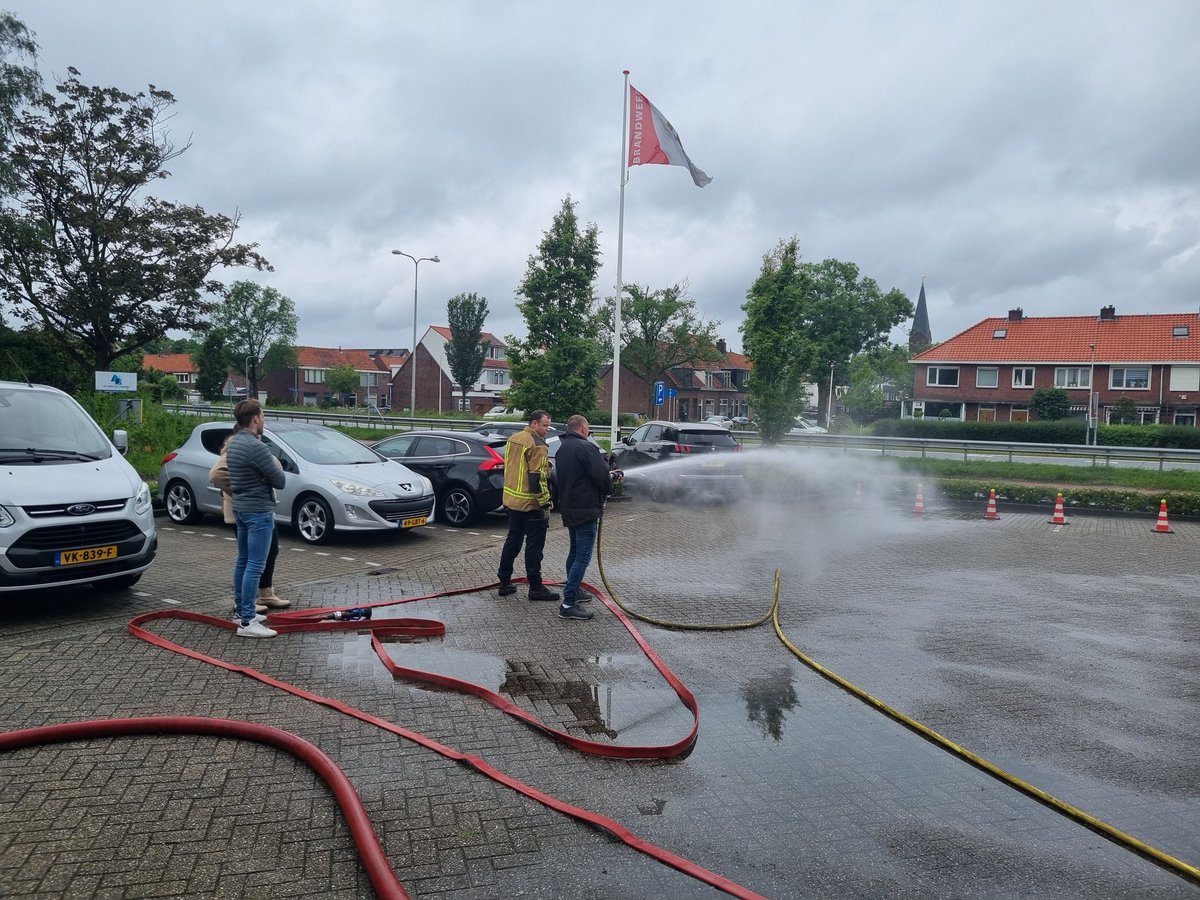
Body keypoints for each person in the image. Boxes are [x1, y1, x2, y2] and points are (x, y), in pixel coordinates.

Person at [227, 399, 286, 637]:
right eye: (263, 415)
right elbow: (280, 480)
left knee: (243, 561)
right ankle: (248, 622)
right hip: (258, 511)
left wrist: (262, 476)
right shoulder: (256, 447)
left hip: (241, 509)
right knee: (255, 565)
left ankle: (242, 611)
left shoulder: (234, 443)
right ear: (255, 419)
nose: (264, 420)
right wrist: (267, 475)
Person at [213, 437, 291, 614]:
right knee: (251, 560)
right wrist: (239, 491)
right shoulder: (239, 448)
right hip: (249, 511)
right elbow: (216, 474)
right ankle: (245, 606)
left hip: (258, 509)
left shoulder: (250, 446)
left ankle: (264, 593)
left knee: (269, 551)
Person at [552, 415, 613, 620]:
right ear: (583, 428)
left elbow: (580, 475)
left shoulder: (562, 449)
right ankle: (568, 603)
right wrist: (609, 484)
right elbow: (601, 476)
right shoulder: (586, 448)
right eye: (588, 428)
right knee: (583, 556)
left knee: (575, 550)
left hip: (570, 507)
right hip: (585, 509)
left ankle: (574, 589)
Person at [496, 410, 559, 602]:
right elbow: (536, 478)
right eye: (544, 425)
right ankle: (536, 587)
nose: (547, 429)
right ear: (534, 424)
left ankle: (504, 582)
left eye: (548, 425)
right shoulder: (538, 444)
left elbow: (517, 467)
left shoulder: (514, 438)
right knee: (534, 547)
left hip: (512, 500)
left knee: (513, 541)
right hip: (531, 504)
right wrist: (545, 502)